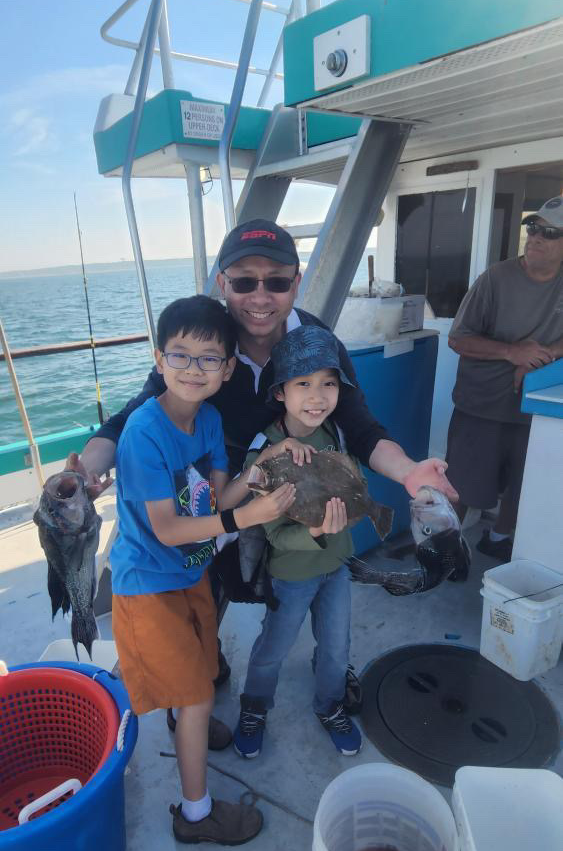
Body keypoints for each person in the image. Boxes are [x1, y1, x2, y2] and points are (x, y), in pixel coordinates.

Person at [71, 218, 457, 694]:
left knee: (304, 581)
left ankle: (331, 666)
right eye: (243, 281)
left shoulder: (317, 341)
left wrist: (409, 472)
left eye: (276, 281)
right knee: (207, 592)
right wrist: (84, 472)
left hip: (293, 484)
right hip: (216, 491)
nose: (260, 296)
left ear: (295, 283)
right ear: (222, 284)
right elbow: (128, 420)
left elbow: (360, 427)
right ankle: (197, 682)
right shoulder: (205, 341)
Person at [111, 294, 300, 844]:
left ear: (228, 368)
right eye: (181, 355)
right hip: (148, 584)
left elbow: (217, 500)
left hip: (191, 573)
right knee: (198, 696)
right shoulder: (143, 432)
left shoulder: (211, 420)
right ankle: (195, 816)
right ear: (158, 358)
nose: (194, 369)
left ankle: (186, 714)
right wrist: (247, 517)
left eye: (209, 358)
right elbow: (169, 529)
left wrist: (262, 467)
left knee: (200, 669)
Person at [233, 326, 367, 759]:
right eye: (303, 384)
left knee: (335, 648)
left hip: (337, 569)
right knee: (272, 648)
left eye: (328, 383)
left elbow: (353, 487)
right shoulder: (265, 453)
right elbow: (271, 532)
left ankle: (329, 705)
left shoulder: (337, 436)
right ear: (280, 393)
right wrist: (313, 531)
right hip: (290, 576)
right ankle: (254, 707)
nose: (317, 396)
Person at [446, 196, 563, 561]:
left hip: (535, 407)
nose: (536, 236)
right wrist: (513, 352)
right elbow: (458, 339)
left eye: (550, 231)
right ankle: (445, 551)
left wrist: (543, 356)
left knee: (523, 487)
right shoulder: (495, 278)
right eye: (533, 226)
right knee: (461, 486)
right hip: (481, 404)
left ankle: (497, 538)